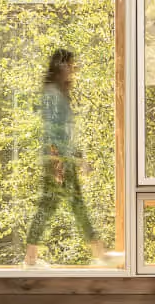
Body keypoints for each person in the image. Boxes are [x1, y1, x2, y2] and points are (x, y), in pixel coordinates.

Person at [23, 49, 113, 268]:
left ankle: (31, 258)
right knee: (70, 204)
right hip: (59, 159)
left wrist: (78, 157)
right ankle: (99, 254)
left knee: (55, 204)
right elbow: (54, 131)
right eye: (71, 65)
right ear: (61, 67)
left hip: (62, 158)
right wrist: (62, 162)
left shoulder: (58, 93)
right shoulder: (53, 94)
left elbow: (68, 131)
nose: (74, 69)